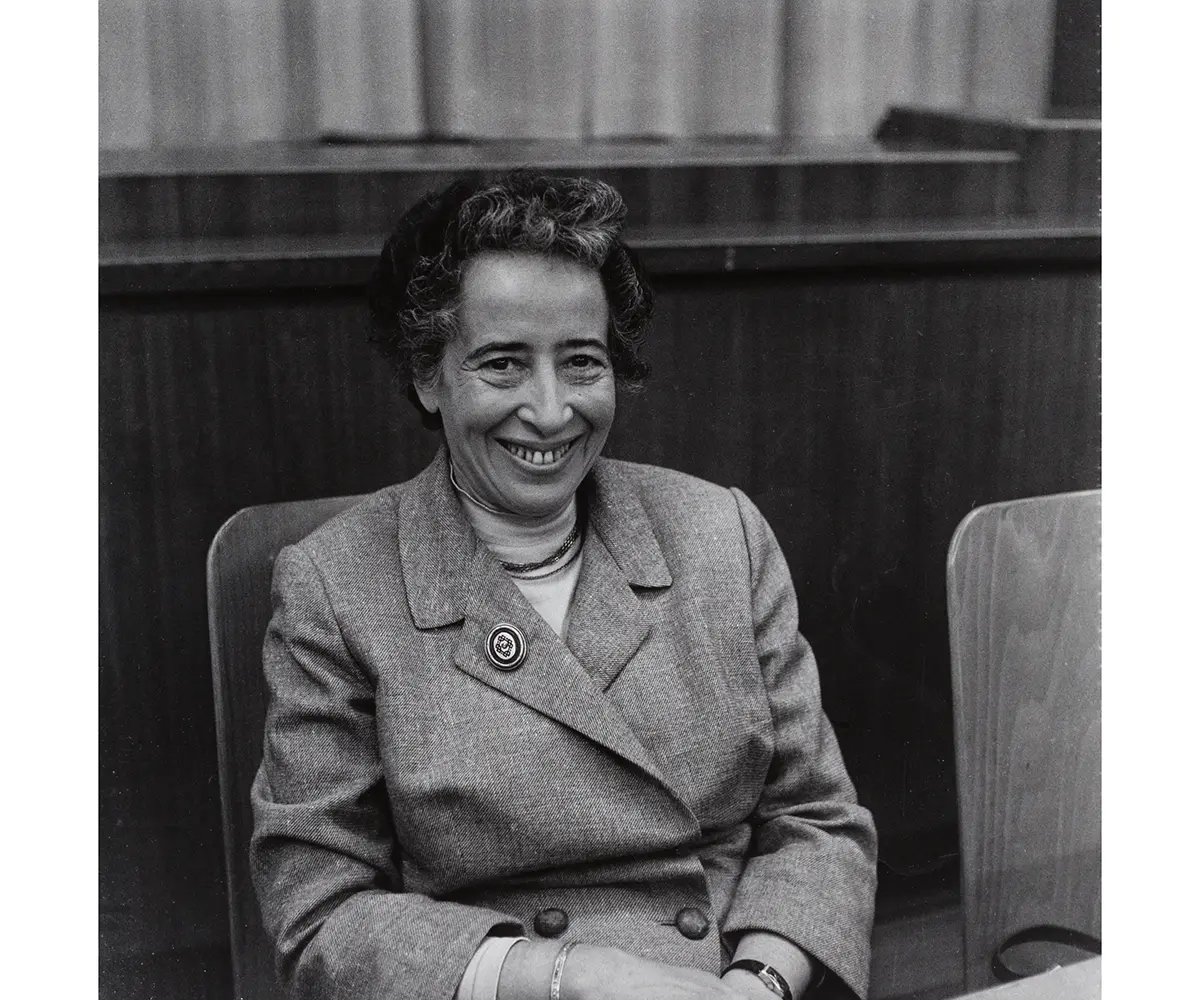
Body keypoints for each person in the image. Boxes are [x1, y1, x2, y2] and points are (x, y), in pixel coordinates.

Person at [250, 171, 877, 1000]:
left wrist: (757, 983)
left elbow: (818, 822)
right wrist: (566, 978)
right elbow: (320, 913)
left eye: (581, 362)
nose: (550, 412)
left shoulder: (720, 533)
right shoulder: (336, 584)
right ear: (428, 376)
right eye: (504, 364)